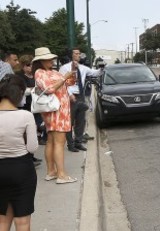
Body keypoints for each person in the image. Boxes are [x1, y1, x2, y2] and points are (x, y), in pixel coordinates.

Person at [0, 74, 38, 231]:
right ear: (19, 94)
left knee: (2, 221)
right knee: (22, 221)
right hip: (21, 168)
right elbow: (32, 147)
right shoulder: (25, 116)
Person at [32, 47, 77, 184]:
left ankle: (51, 171)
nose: (51, 60)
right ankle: (61, 175)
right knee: (59, 142)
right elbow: (50, 89)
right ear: (40, 61)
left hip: (58, 110)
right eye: (48, 58)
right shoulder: (39, 73)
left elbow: (68, 83)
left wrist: (71, 76)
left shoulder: (53, 71)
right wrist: (64, 77)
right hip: (56, 111)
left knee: (51, 141)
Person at [59, 48, 100, 152]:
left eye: (79, 53)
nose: (78, 55)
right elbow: (62, 82)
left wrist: (102, 68)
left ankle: (78, 142)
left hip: (80, 96)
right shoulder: (64, 68)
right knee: (70, 121)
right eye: (76, 53)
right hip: (71, 96)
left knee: (81, 121)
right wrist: (69, 94)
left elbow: (95, 73)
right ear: (71, 55)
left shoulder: (83, 68)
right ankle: (70, 144)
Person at [16, 55, 44, 165]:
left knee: (34, 131)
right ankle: (27, 158)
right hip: (25, 107)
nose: (30, 67)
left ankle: (31, 156)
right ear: (23, 66)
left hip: (36, 107)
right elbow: (23, 91)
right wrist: (34, 89)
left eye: (32, 64)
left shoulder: (35, 75)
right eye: (28, 65)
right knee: (26, 133)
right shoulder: (19, 76)